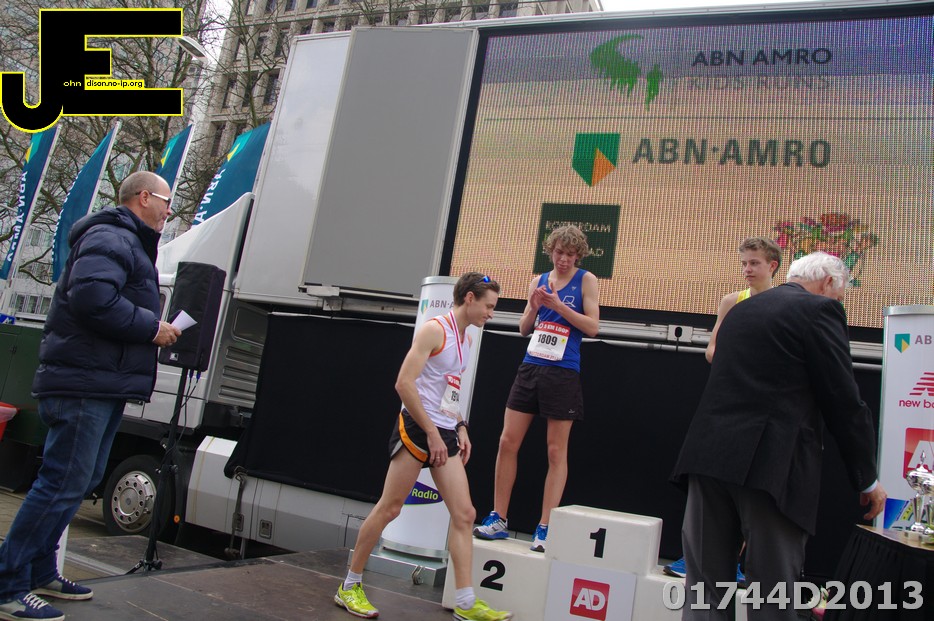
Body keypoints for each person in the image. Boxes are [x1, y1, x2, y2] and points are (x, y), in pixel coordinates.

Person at [0, 171, 181, 621]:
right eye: (166, 201)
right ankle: (7, 585)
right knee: (62, 483)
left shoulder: (123, 240)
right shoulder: (112, 237)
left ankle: (40, 570)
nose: (169, 210)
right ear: (144, 197)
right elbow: (93, 300)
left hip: (98, 382)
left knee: (78, 482)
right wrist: (151, 327)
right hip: (84, 384)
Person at [670, 252, 887, 620]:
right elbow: (843, 400)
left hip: (707, 457)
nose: (839, 302)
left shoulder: (741, 309)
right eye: (840, 295)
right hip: (771, 465)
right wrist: (866, 478)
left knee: (705, 591)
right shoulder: (820, 310)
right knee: (771, 592)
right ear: (828, 283)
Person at [335, 273, 511, 621]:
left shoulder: (467, 338)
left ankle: (465, 602)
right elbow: (404, 383)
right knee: (390, 508)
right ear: (470, 298)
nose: (491, 313)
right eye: (489, 306)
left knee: (465, 514)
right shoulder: (434, 330)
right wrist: (431, 432)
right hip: (417, 428)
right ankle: (350, 585)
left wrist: (460, 426)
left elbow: (448, 391)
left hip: (444, 431)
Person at [473, 225, 600, 553]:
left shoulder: (586, 280)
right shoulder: (538, 280)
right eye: (559, 253)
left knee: (556, 451)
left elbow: (593, 327)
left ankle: (545, 527)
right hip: (531, 367)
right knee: (507, 442)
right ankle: (498, 518)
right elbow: (523, 328)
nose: (563, 259)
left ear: (578, 256)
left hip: (564, 371)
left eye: (569, 255)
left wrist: (559, 306)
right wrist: (533, 306)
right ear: (551, 251)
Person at [664, 236, 782, 583]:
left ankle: (737, 562)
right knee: (712, 481)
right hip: (726, 402)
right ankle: (698, 558)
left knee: (750, 487)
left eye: (754, 263)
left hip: (763, 409)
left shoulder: (784, 304)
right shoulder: (732, 301)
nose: (747, 269)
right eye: (744, 263)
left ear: (772, 266)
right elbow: (711, 350)